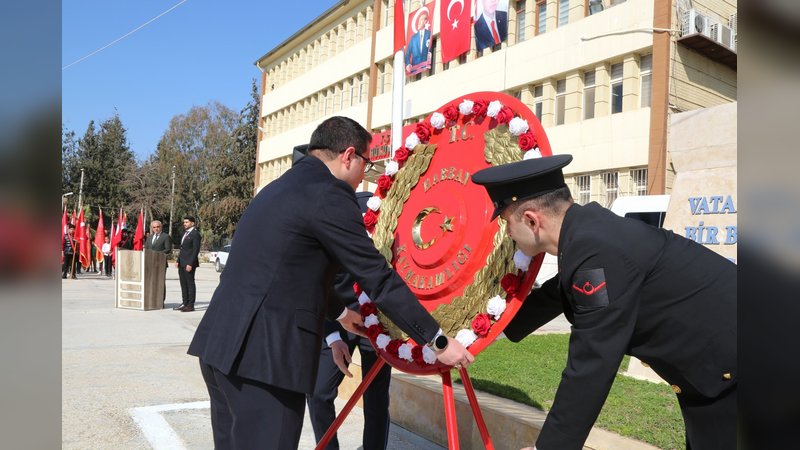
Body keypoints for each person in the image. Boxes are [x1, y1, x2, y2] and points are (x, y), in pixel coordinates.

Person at [187, 116, 474, 450]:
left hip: (222, 347)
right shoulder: (330, 194)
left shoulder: (279, 188)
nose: (361, 178)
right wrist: (437, 341)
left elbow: (287, 272)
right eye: (366, 165)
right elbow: (376, 277)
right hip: (264, 360)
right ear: (348, 155)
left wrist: (339, 314)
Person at [471, 155, 736, 450]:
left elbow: (592, 361)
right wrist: (482, 335)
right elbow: (559, 291)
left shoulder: (595, 249)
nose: (507, 233)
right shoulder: (588, 232)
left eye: (507, 222)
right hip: (718, 376)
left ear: (532, 220)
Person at [307, 192, 393, 450]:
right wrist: (332, 337)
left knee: (376, 398)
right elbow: (321, 289)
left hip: (378, 323)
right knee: (319, 391)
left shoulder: (387, 233)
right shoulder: (334, 232)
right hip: (338, 319)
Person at [175, 216, 201, 312]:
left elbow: (195, 250)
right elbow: (182, 249)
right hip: (182, 262)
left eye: (187, 222)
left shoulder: (195, 234)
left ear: (192, 223)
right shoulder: (185, 233)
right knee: (183, 284)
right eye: (184, 222)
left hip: (189, 263)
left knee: (190, 284)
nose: (184, 224)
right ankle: (184, 303)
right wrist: (178, 260)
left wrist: (190, 263)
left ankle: (190, 305)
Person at [145, 220, 173, 307]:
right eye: (154, 227)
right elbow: (147, 249)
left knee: (160, 282)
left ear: (161, 227)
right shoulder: (149, 238)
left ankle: (161, 301)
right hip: (149, 264)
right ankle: (151, 300)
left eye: (158, 227)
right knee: (150, 282)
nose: (156, 229)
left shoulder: (166, 237)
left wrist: (156, 254)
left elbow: (168, 249)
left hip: (160, 263)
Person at [404, 8, 431, 75]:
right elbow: (407, 54)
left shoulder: (429, 34)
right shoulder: (413, 38)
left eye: (421, 20)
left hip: (425, 68)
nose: (418, 22)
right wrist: (407, 64)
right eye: (418, 20)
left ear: (425, 22)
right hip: (415, 70)